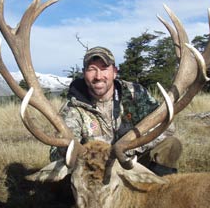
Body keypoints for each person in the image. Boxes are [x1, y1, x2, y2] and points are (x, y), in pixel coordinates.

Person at [50, 46, 182, 176]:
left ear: (114, 72)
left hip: (133, 161)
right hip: (95, 170)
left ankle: (160, 191)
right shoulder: (73, 108)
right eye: (92, 69)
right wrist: (75, 151)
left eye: (104, 68)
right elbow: (55, 155)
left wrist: (128, 149)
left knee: (171, 144)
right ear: (84, 73)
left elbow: (167, 126)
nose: (98, 76)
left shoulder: (135, 93)